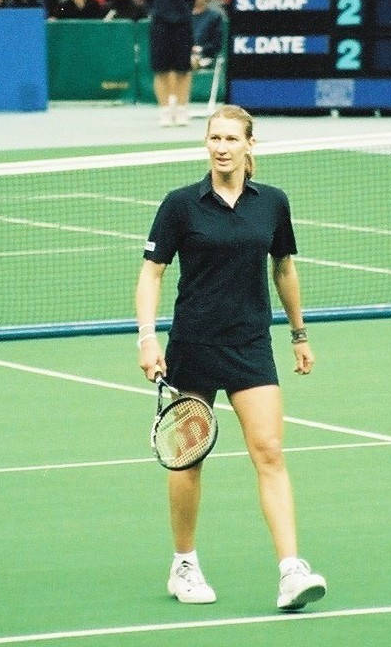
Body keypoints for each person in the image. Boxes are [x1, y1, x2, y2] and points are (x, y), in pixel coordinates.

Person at [135, 103, 326, 612]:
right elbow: (152, 272)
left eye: (230, 139)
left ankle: (290, 570)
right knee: (188, 458)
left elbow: (283, 268)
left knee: (269, 451)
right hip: (193, 345)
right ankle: (184, 563)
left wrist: (299, 334)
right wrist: (146, 339)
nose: (221, 147)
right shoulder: (181, 205)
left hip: (250, 345)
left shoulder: (272, 203)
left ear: (248, 146)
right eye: (214, 138)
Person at [142, 0, 198, 127]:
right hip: (160, 25)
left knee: (183, 70)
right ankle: (165, 110)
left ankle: (182, 109)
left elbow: (190, 0)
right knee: (161, 70)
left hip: (182, 25)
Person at [191, 0, 223, 69]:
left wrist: (200, 49)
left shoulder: (215, 16)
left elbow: (217, 44)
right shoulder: (182, 17)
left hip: (205, 58)